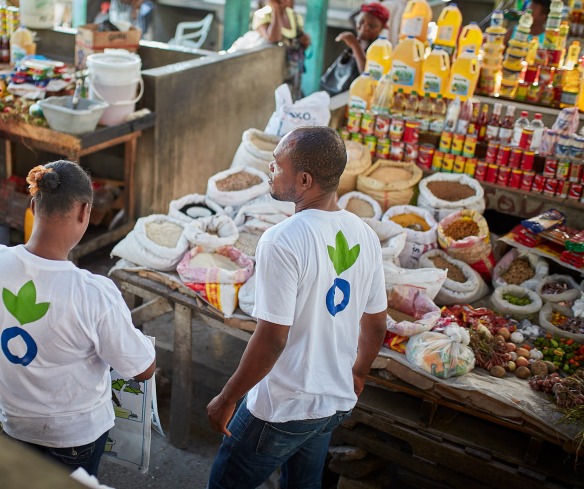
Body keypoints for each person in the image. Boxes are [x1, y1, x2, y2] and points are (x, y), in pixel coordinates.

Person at [206, 126, 388, 489]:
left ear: (304, 180)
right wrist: (358, 372)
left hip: (284, 406)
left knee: (225, 483)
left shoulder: (282, 239)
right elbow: (376, 326)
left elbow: (273, 339)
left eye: (277, 164)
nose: (270, 170)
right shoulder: (365, 234)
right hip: (332, 402)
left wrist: (228, 397)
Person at [0, 161, 156, 477]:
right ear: (84, 212)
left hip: (13, 424)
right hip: (73, 438)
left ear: (33, 205)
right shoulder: (93, 293)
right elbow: (142, 369)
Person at [253, 0, 311, 101]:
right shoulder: (262, 15)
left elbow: (301, 46)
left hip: (293, 74)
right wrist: (276, 10)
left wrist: (305, 41)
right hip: (273, 74)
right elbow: (274, 37)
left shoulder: (293, 15)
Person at [337, 2, 390, 75]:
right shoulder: (362, 36)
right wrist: (366, 7)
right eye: (361, 22)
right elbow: (351, 17)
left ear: (381, 29)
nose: (364, 28)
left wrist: (355, 45)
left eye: (372, 26)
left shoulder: (378, 47)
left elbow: (366, 73)